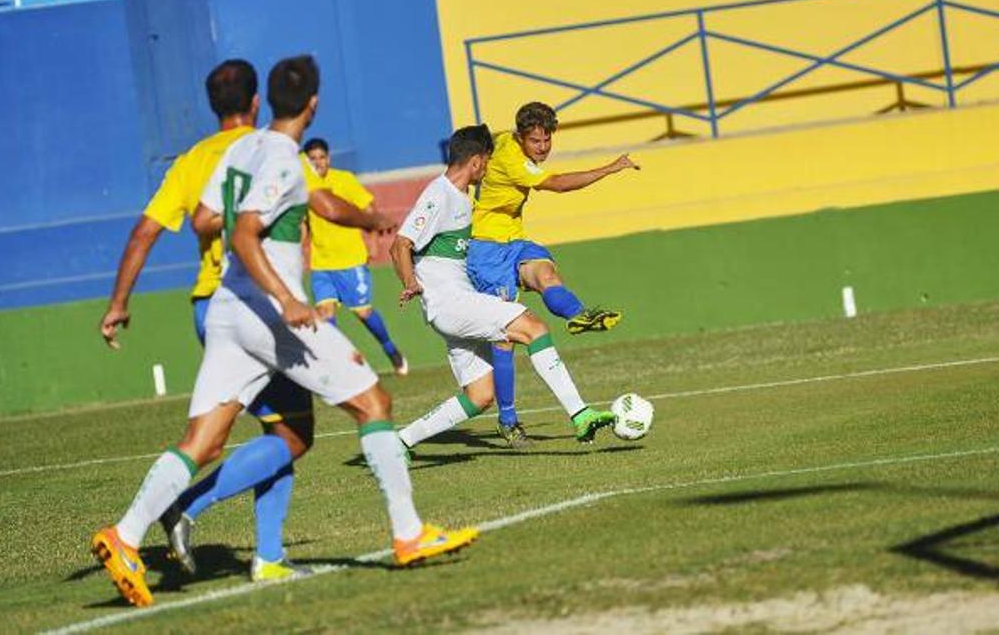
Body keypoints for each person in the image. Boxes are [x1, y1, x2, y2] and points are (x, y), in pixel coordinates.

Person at [90, 56, 475, 609]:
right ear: (312, 103)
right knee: (374, 402)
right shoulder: (279, 159)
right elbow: (246, 234)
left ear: (267, 102)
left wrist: (357, 220)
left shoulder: (242, 150)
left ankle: (125, 537)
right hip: (269, 315)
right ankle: (409, 533)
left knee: (206, 440)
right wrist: (290, 297)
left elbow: (207, 217)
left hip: (226, 308)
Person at [390, 124, 617, 452]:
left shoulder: (462, 198)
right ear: (477, 162)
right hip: (448, 302)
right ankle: (581, 414)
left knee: (480, 395)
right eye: (488, 162)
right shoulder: (439, 194)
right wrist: (410, 282)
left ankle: (400, 442)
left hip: (455, 303)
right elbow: (399, 244)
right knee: (533, 328)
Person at [468, 102, 638, 446]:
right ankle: (508, 421)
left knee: (546, 274)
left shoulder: (502, 140)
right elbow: (558, 184)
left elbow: (481, 144)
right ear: (521, 137)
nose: (542, 148)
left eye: (547, 141)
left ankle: (578, 315)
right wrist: (610, 168)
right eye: (535, 142)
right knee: (504, 339)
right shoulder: (514, 160)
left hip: (514, 241)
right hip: (486, 250)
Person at [304, 137, 408, 375]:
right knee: (325, 314)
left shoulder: (344, 180)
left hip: (350, 261)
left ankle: (390, 349)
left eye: (321, 157)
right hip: (321, 263)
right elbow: (304, 223)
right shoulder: (306, 187)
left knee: (363, 313)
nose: (318, 162)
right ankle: (342, 363)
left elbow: (369, 211)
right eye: (313, 159)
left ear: (328, 158)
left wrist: (372, 243)